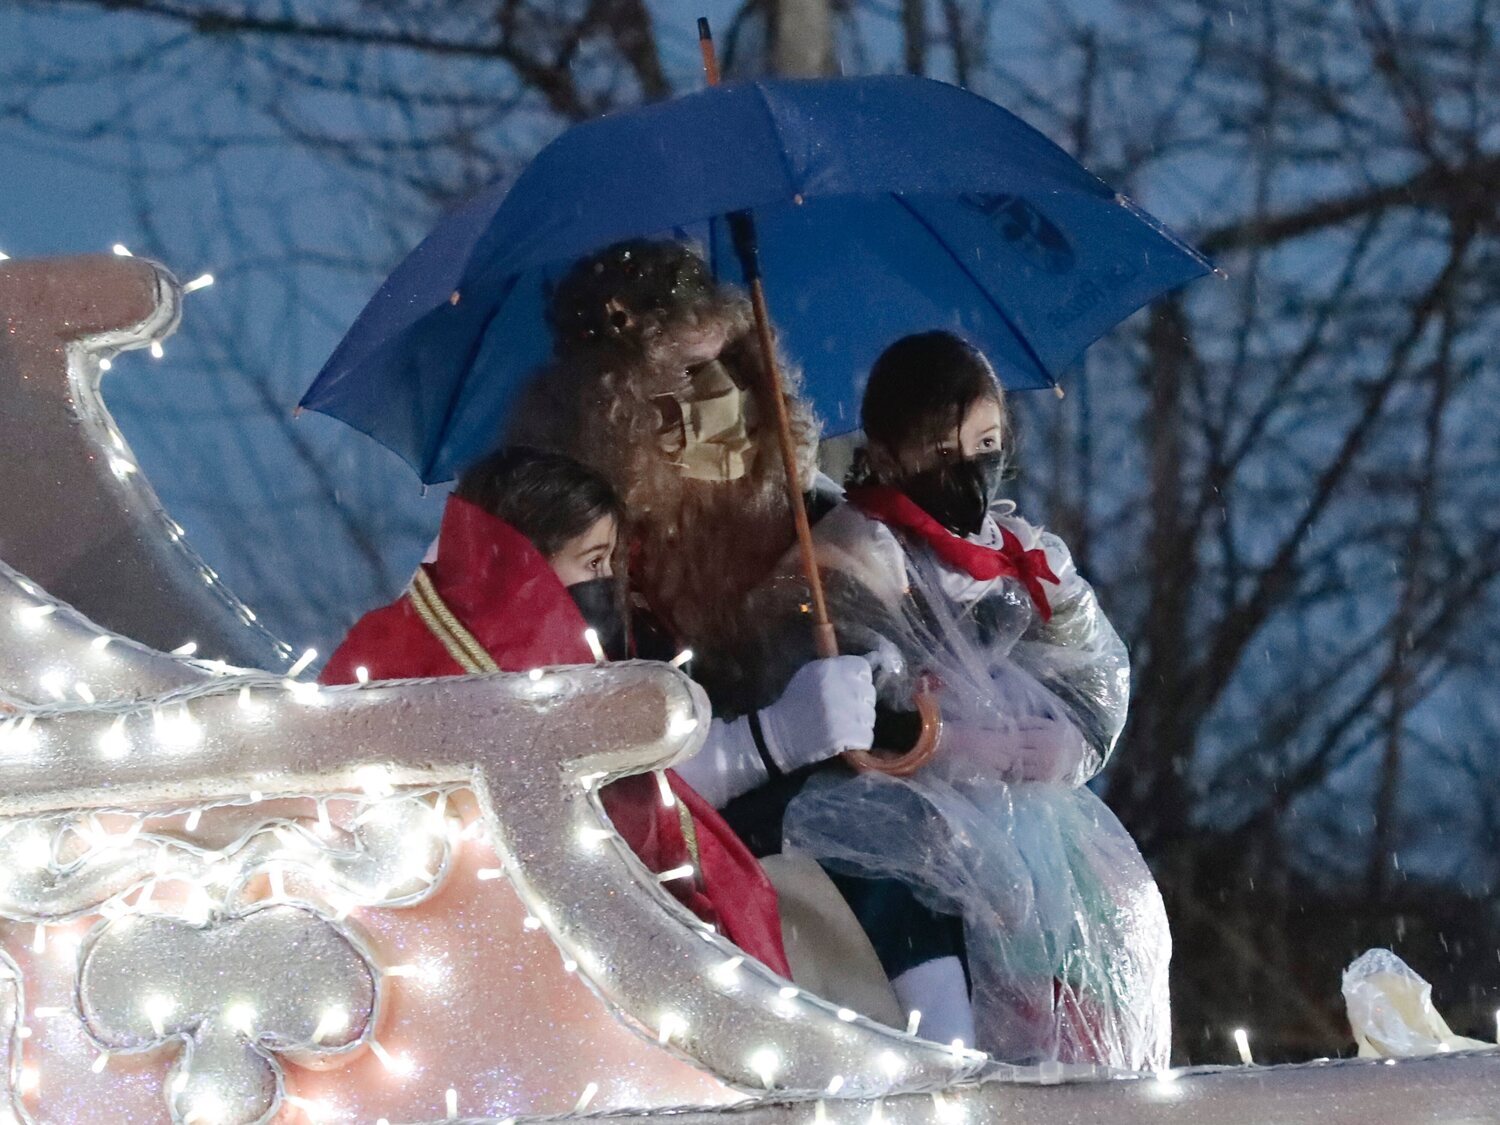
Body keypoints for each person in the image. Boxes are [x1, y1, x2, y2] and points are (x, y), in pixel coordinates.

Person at [755, 331, 1171, 1069]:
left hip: (1034, 813)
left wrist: (1072, 739)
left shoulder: (1024, 557)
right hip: (903, 808)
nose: (969, 469)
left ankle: (1081, 1084)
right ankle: (981, 1075)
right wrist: (940, 739)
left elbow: (1094, 668)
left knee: (1101, 925)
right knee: (967, 917)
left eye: (983, 442)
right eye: (940, 451)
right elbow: (850, 696)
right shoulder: (855, 556)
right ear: (888, 455)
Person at [321, 447, 875, 976]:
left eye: (612, 563)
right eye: (592, 562)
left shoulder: (462, 645)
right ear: (521, 562)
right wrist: (768, 742)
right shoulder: (483, 669)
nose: (608, 585)